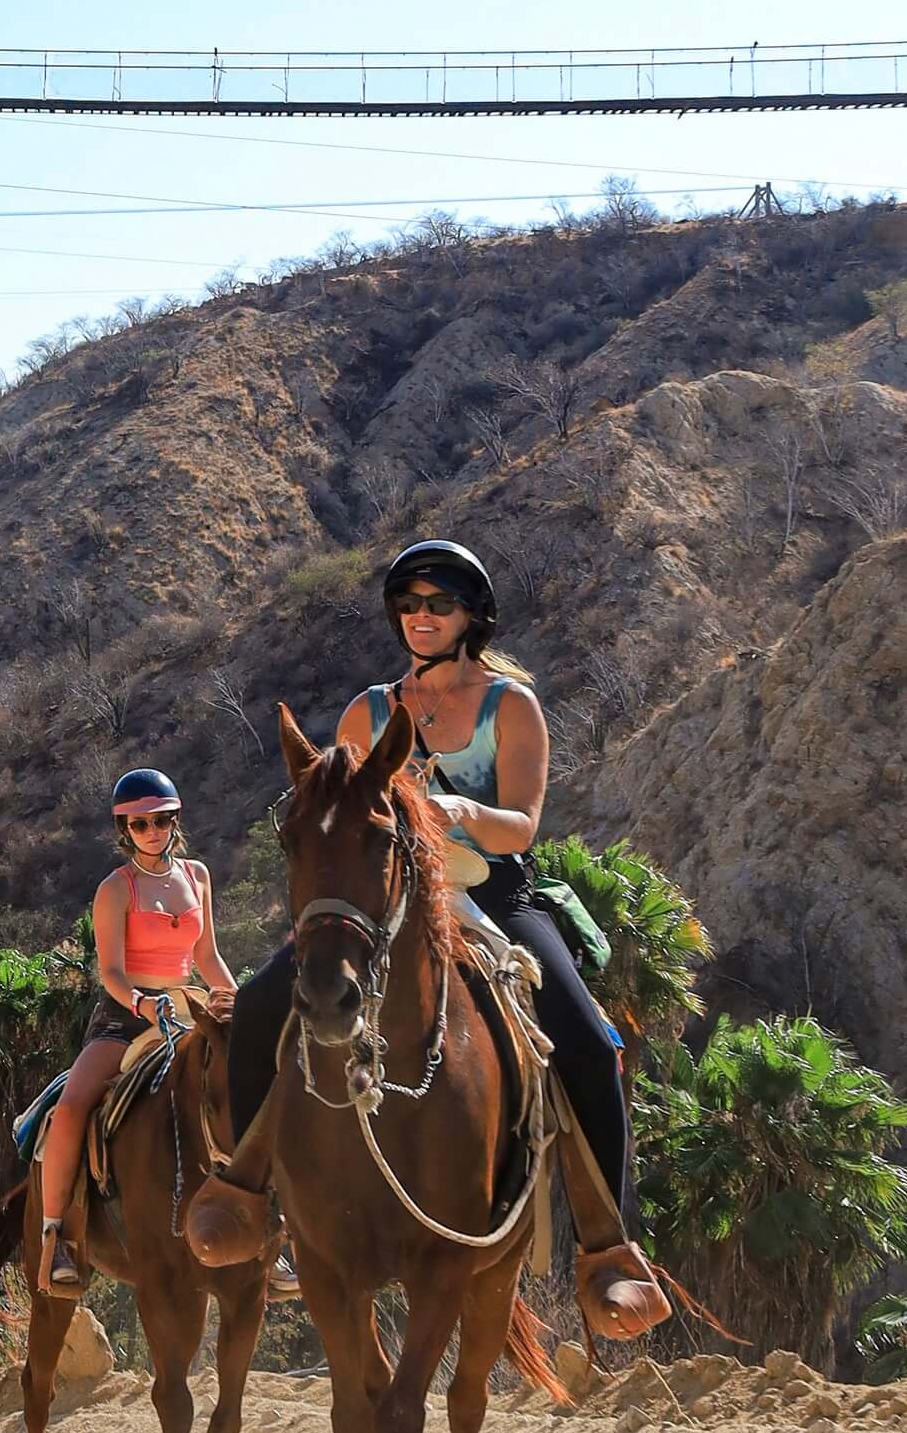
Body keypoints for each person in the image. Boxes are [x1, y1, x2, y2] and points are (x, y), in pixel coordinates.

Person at [226, 539, 666, 1340]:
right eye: (410, 605)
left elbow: (526, 824)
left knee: (585, 1039)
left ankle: (609, 1248)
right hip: (394, 899)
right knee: (260, 1006)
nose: (421, 618)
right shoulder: (367, 710)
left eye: (440, 605)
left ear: (472, 616)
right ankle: (248, 1197)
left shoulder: (511, 705)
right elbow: (346, 814)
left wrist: (460, 812)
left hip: (494, 889)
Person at [34, 769, 239, 1296]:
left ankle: (275, 1233)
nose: (153, 831)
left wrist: (238, 1000)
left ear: (176, 821)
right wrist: (143, 1003)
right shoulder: (115, 888)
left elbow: (206, 955)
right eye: (140, 823)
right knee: (75, 1104)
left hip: (189, 1004)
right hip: (126, 1014)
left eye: (162, 820)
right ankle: (58, 1235)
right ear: (124, 829)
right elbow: (111, 972)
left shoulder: (198, 876)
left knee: (254, 1084)